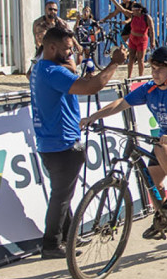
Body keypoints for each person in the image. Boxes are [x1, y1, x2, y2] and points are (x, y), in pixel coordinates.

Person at [80, 46, 167, 239]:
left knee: (162, 147)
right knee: (153, 181)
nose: (154, 73)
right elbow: (121, 103)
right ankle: (164, 218)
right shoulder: (149, 88)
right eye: (152, 68)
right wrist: (93, 116)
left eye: (159, 69)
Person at [30, 27, 127, 259]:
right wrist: (114, 63)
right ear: (51, 47)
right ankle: (51, 243)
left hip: (49, 141)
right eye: (66, 49)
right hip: (62, 142)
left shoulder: (40, 67)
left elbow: (73, 71)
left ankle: (68, 236)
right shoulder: (53, 71)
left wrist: (71, 59)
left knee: (63, 194)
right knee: (61, 196)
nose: (71, 52)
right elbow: (91, 87)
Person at [123, 2, 156, 81]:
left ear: (139, 10)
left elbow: (152, 30)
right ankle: (129, 77)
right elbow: (123, 10)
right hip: (133, 38)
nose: (133, 12)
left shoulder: (147, 18)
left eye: (134, 10)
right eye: (132, 10)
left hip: (142, 39)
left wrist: (152, 41)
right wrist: (113, 0)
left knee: (140, 59)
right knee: (131, 57)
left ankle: (140, 77)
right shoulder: (132, 16)